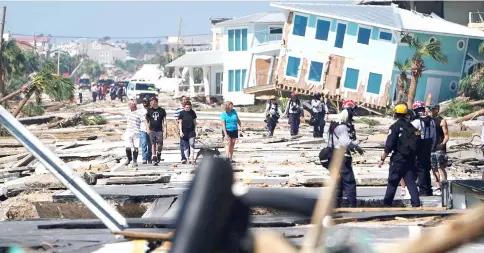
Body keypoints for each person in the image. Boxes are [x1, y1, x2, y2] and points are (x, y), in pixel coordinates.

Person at [378, 102, 421, 207]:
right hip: (410, 160)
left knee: (392, 182)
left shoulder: (394, 127)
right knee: (411, 183)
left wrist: (382, 159)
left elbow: (389, 145)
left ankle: (387, 205)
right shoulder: (412, 127)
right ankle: (416, 205)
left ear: (396, 114)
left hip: (398, 159)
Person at [326, 102, 364, 207]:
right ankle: (352, 205)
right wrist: (356, 144)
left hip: (333, 155)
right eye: (352, 111)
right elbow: (346, 143)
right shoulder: (342, 126)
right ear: (349, 111)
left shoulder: (334, 123)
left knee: (338, 182)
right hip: (342, 157)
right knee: (349, 181)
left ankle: (337, 205)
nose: (353, 113)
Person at [411, 101, 435, 196]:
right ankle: (429, 189)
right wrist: (432, 146)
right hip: (428, 145)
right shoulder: (431, 121)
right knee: (427, 167)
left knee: (420, 168)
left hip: (419, 146)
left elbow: (411, 135)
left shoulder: (416, 122)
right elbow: (434, 137)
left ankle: (423, 190)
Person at [430, 104, 449, 196]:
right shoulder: (428, 119)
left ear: (437, 110)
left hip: (439, 148)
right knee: (434, 168)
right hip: (430, 148)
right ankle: (438, 187)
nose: (430, 110)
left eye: (432, 109)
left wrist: (442, 144)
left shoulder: (442, 120)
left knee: (441, 167)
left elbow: (446, 135)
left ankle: (445, 186)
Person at [145, 96, 167, 166]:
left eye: (152, 102)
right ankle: (154, 157)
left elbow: (164, 121)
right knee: (153, 144)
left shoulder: (162, 110)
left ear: (156, 102)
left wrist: (165, 131)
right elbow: (146, 120)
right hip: (152, 130)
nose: (151, 103)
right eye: (150, 102)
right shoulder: (149, 110)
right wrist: (147, 129)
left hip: (159, 130)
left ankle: (159, 153)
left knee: (160, 144)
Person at [174, 96, 189, 162]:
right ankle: (183, 157)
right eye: (184, 100)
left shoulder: (189, 109)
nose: (185, 101)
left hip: (189, 129)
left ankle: (188, 156)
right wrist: (179, 127)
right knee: (182, 143)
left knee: (188, 143)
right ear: (181, 101)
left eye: (186, 99)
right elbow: (175, 119)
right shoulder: (178, 109)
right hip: (181, 128)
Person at [139, 98, 152, 164]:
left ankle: (149, 158)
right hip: (143, 129)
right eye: (144, 103)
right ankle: (144, 158)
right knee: (144, 144)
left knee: (150, 144)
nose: (145, 104)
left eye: (146, 103)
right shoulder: (141, 111)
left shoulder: (151, 110)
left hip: (151, 130)